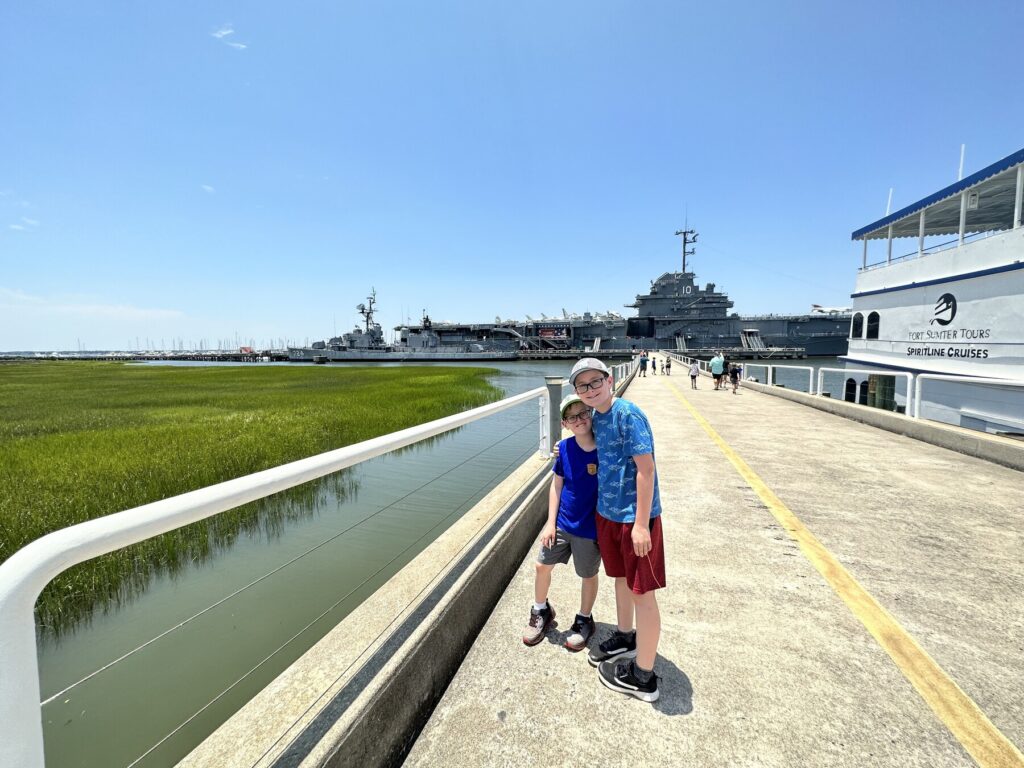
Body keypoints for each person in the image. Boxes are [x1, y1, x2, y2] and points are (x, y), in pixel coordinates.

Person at [569, 358, 665, 702]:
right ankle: (626, 635)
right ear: (577, 392)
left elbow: (646, 470)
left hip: (634, 520)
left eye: (596, 382)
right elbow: (587, 444)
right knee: (621, 579)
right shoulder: (596, 417)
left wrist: (641, 525)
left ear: (610, 380)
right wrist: (560, 448)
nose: (591, 390)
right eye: (583, 386)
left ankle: (644, 676)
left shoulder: (628, 414)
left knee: (643, 593)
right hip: (607, 514)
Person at [522, 394, 601, 651]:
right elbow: (557, 486)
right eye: (571, 417)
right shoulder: (564, 449)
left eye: (583, 413)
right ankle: (541, 610)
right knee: (542, 565)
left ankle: (584, 618)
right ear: (565, 424)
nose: (578, 420)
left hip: (590, 528)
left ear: (591, 414)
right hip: (562, 523)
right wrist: (549, 522)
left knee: (588, 574)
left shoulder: (604, 449)